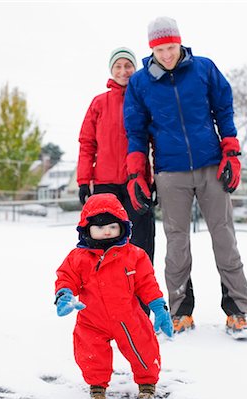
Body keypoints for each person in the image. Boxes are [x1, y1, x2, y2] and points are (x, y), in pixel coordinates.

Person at [123, 16, 247, 338]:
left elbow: (224, 110)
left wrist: (231, 152)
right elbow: (136, 133)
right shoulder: (140, 83)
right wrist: (136, 173)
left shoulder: (204, 68)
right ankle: (181, 311)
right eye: (159, 49)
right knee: (177, 242)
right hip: (170, 171)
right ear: (151, 49)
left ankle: (238, 312)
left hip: (210, 165)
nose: (167, 55)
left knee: (224, 238)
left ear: (179, 42)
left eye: (171, 47)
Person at [54, 193, 173, 399]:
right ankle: (97, 386)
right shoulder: (78, 257)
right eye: (99, 228)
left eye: (112, 226)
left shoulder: (135, 255)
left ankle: (147, 383)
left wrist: (158, 306)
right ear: (87, 229)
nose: (106, 231)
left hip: (128, 317)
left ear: (122, 227)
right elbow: (66, 277)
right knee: (90, 354)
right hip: (91, 319)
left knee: (143, 348)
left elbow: (147, 283)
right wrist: (65, 295)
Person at [77, 47, 155, 269]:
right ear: (112, 70)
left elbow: (156, 141)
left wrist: (155, 178)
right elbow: (86, 144)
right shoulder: (98, 103)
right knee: (104, 242)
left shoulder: (144, 101)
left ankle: (141, 300)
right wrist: (84, 181)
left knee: (141, 243)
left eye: (128, 66)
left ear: (135, 68)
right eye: (118, 66)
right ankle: (108, 297)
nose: (123, 71)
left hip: (136, 183)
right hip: (105, 186)